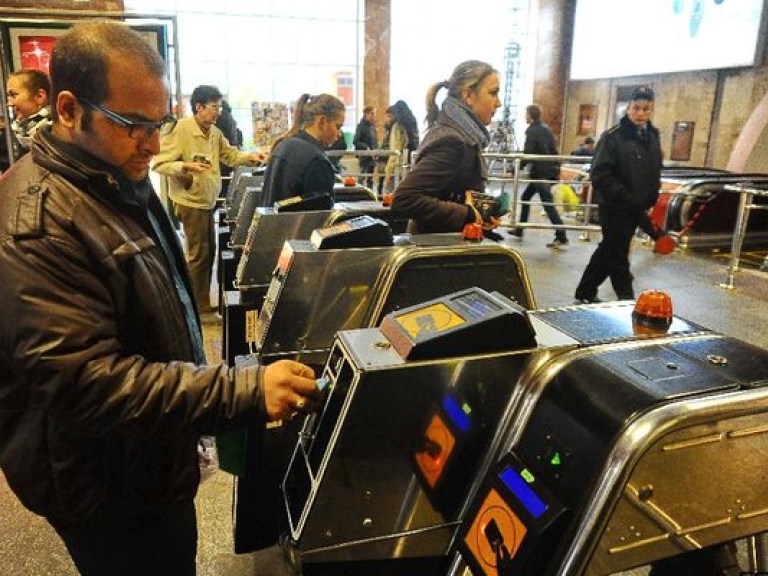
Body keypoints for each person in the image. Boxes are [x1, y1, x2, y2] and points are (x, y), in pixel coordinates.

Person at [0, 21, 320, 575]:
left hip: (143, 456)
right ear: (70, 109)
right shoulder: (39, 222)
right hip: (104, 485)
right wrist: (239, 391)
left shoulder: (110, 173)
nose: (152, 142)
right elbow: (89, 383)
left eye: (160, 122)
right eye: (134, 125)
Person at [153, 85, 266, 320]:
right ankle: (198, 308)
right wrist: (185, 167)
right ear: (199, 107)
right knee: (198, 255)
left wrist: (253, 157)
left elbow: (230, 155)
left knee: (209, 252)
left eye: (220, 107)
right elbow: (160, 163)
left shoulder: (213, 132)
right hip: (190, 201)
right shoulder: (182, 129)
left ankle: (202, 302)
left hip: (206, 201)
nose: (219, 112)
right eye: (215, 107)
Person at [574, 86, 663, 303]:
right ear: (627, 109)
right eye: (636, 108)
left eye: (646, 109)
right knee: (618, 255)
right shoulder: (612, 138)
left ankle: (585, 291)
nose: (641, 113)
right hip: (614, 207)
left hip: (636, 206)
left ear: (651, 110)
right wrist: (624, 196)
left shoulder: (653, 136)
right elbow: (600, 174)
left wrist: (650, 197)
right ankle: (628, 301)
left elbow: (654, 169)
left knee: (610, 249)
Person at [391, 60, 501, 234]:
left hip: (444, 245)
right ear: (468, 95)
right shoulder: (453, 141)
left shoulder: (461, 134)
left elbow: (449, 192)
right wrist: (469, 214)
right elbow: (405, 199)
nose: (498, 103)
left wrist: (481, 213)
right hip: (437, 252)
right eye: (493, 93)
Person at [260, 93, 345, 206]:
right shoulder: (317, 162)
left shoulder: (283, 145)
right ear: (322, 121)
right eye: (338, 126)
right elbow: (320, 216)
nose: (340, 134)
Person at [510, 104, 569, 247]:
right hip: (548, 170)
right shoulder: (546, 129)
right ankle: (519, 229)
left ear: (530, 115)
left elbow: (528, 153)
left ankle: (561, 235)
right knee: (525, 197)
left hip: (539, 173)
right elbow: (553, 150)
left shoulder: (531, 131)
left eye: (526, 114)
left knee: (548, 204)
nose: (525, 116)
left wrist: (515, 169)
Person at [6, 68, 51, 154]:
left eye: (13, 95)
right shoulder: (17, 133)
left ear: (39, 97)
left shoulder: (57, 134)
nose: (9, 103)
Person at [383, 99, 419, 193]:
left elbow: (395, 151)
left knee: (390, 195)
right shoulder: (413, 125)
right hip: (411, 166)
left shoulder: (398, 127)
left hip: (398, 168)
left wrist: (389, 172)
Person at [214, 99, 243, 197]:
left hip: (222, 161)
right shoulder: (231, 119)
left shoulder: (220, 119)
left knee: (220, 193)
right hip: (230, 160)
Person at [353, 105, 378, 187]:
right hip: (364, 156)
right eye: (372, 113)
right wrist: (366, 147)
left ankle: (369, 195)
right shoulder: (360, 126)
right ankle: (359, 193)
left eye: (374, 113)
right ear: (366, 114)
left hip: (372, 156)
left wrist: (377, 151)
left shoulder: (373, 127)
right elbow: (356, 141)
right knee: (362, 176)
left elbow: (375, 141)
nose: (374, 116)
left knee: (370, 178)